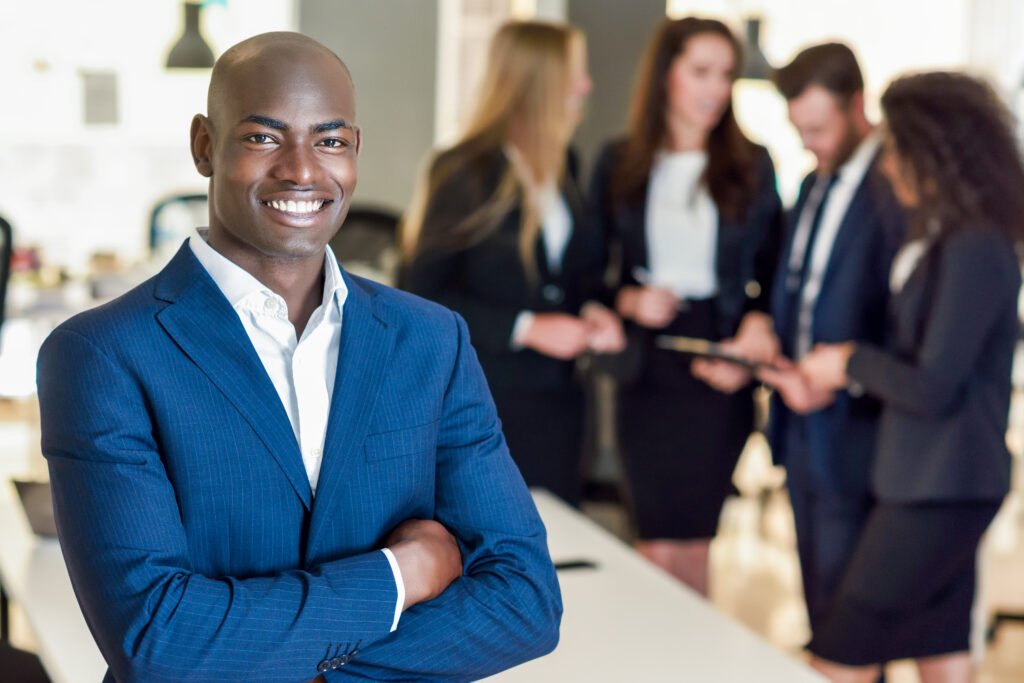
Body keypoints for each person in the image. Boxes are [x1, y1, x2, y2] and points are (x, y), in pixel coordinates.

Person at [36, 32, 561, 683]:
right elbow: (157, 638)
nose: (303, 169)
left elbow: (525, 601)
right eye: (264, 138)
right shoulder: (102, 355)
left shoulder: (431, 341)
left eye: (330, 140)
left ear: (354, 152)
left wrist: (294, 663)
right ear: (204, 144)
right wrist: (400, 576)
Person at [799, 71, 1024, 683]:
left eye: (897, 148)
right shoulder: (943, 237)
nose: (887, 163)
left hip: (943, 487)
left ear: (935, 154)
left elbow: (932, 386)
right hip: (929, 480)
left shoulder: (977, 247)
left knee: (840, 650)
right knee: (942, 649)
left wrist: (848, 363)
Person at [589, 16, 783, 595]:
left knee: (696, 539)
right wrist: (627, 298)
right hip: (646, 364)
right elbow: (587, 273)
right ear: (666, 74)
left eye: (725, 75)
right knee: (652, 537)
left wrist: (755, 324)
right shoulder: (619, 161)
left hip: (718, 362)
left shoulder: (753, 164)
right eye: (701, 71)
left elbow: (775, 272)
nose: (716, 89)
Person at [402, 21, 624, 506]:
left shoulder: (566, 163)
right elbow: (421, 296)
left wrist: (594, 309)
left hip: (563, 402)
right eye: (575, 73)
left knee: (554, 544)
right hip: (489, 401)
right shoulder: (463, 170)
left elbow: (574, 278)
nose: (586, 86)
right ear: (539, 81)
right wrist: (526, 328)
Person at [755, 43, 904, 640]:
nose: (807, 142)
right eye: (799, 129)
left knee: (855, 621)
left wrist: (844, 374)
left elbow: (906, 318)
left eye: (817, 128)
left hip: (859, 430)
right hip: (801, 427)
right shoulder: (813, 184)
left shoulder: (897, 188)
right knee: (821, 602)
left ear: (857, 106)